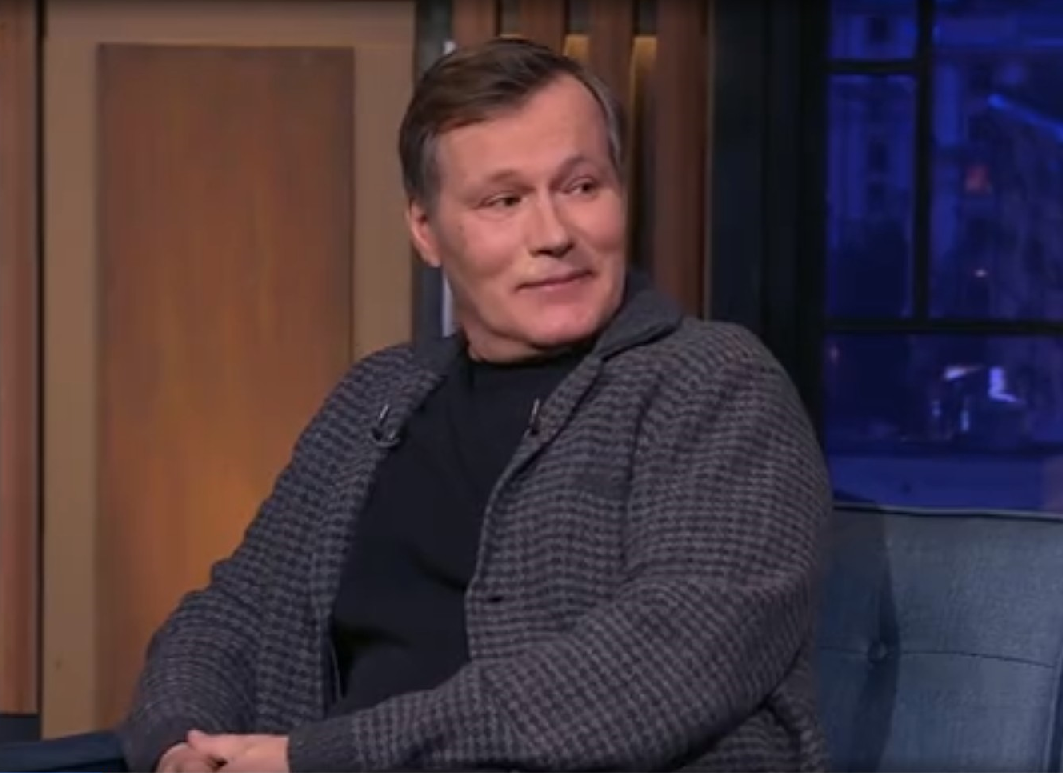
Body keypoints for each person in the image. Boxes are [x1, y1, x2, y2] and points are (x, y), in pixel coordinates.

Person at [117, 36, 832, 773]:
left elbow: (667, 660)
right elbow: (233, 613)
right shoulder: (375, 396)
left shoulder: (714, 384)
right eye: (504, 201)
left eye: (582, 186)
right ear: (425, 231)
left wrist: (329, 754)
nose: (553, 235)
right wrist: (181, 742)